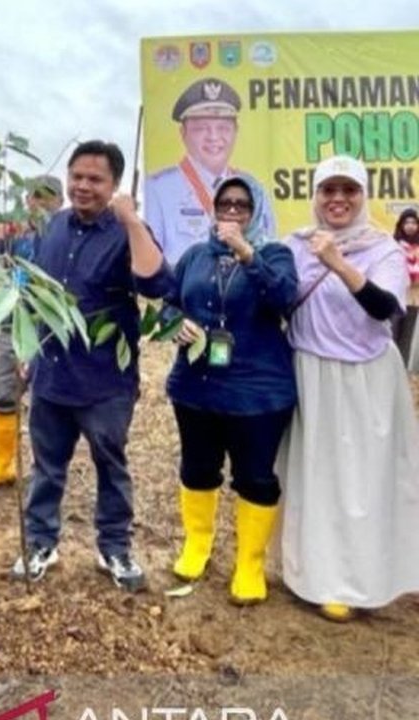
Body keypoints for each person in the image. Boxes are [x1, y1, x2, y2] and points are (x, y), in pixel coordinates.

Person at [10, 140, 173, 593]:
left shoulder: (125, 230)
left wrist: (131, 219)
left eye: (95, 179)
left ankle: (114, 547)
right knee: (47, 466)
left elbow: (157, 283)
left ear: (114, 185)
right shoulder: (53, 227)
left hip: (105, 380)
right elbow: (34, 293)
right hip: (51, 374)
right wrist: (28, 350)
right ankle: (41, 542)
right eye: (76, 176)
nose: (83, 186)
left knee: (110, 463)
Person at [278, 155, 419, 622]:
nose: (338, 200)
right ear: (315, 196)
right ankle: (317, 577)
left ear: (362, 196)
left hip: (366, 381)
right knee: (316, 481)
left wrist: (337, 262)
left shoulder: (383, 249)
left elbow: (384, 309)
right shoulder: (294, 246)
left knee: (364, 483)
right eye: (328, 190)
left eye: (349, 191)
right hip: (311, 374)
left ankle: (363, 579)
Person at [161, 177, 297, 605]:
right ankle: (197, 545)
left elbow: (285, 298)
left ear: (255, 210)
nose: (233, 210)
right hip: (196, 387)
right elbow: (168, 301)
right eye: (225, 203)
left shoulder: (275, 254)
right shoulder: (195, 256)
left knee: (254, 476)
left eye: (242, 204)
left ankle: (249, 564)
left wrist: (246, 252)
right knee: (198, 468)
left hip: (257, 393)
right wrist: (173, 322)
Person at [0, 175, 63, 493]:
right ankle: (1, 464)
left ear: (59, 201)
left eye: (48, 197)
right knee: (4, 389)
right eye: (35, 197)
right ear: (26, 201)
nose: (40, 203)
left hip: (49, 328)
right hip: (11, 322)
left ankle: (43, 470)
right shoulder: (12, 233)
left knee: (45, 400)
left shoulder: (64, 233)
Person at [146, 78, 276, 265]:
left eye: (223, 128)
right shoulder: (158, 190)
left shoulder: (255, 190)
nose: (214, 137)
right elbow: (153, 266)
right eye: (201, 129)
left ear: (236, 131)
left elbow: (270, 257)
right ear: (183, 133)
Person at [390, 208, 419, 365]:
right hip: (396, 295)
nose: (410, 226)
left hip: (414, 297)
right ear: (400, 225)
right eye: (406, 222)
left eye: (414, 222)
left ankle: (402, 370)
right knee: (392, 333)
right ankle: (389, 368)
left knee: (407, 336)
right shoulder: (393, 245)